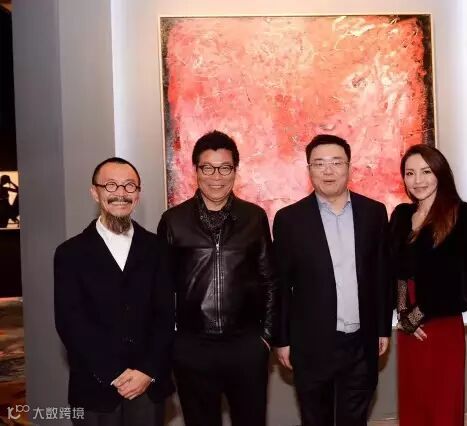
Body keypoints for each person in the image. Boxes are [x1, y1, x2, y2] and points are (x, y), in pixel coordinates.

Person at [157, 130, 276, 426]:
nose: (216, 177)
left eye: (225, 168)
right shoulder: (173, 221)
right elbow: (160, 288)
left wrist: (265, 338)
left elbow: (269, 280)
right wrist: (174, 342)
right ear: (195, 170)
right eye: (208, 168)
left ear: (235, 170)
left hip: (246, 346)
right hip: (192, 348)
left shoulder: (254, 217)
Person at [272, 134, 392, 426]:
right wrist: (282, 339)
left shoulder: (374, 213)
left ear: (349, 167)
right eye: (319, 163)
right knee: (316, 418)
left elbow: (382, 275)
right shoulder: (289, 219)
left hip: (361, 340)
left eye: (337, 162)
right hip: (311, 342)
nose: (328, 171)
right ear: (309, 169)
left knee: (355, 419)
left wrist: (382, 328)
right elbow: (280, 286)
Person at [54, 157, 175, 426]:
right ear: (94, 192)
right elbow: (70, 322)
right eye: (110, 185)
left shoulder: (158, 249)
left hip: (148, 387)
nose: (121, 193)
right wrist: (113, 374)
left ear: (138, 195)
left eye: (129, 186)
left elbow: (166, 316)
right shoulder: (70, 253)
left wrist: (146, 371)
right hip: (94, 387)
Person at [389, 144, 467, 426]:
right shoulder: (401, 215)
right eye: (410, 173)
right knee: (414, 402)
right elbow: (397, 271)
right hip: (408, 326)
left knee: (442, 404)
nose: (418, 180)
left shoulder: (460, 213)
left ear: (440, 173)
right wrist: (404, 313)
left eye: (426, 171)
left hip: (443, 325)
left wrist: (420, 313)